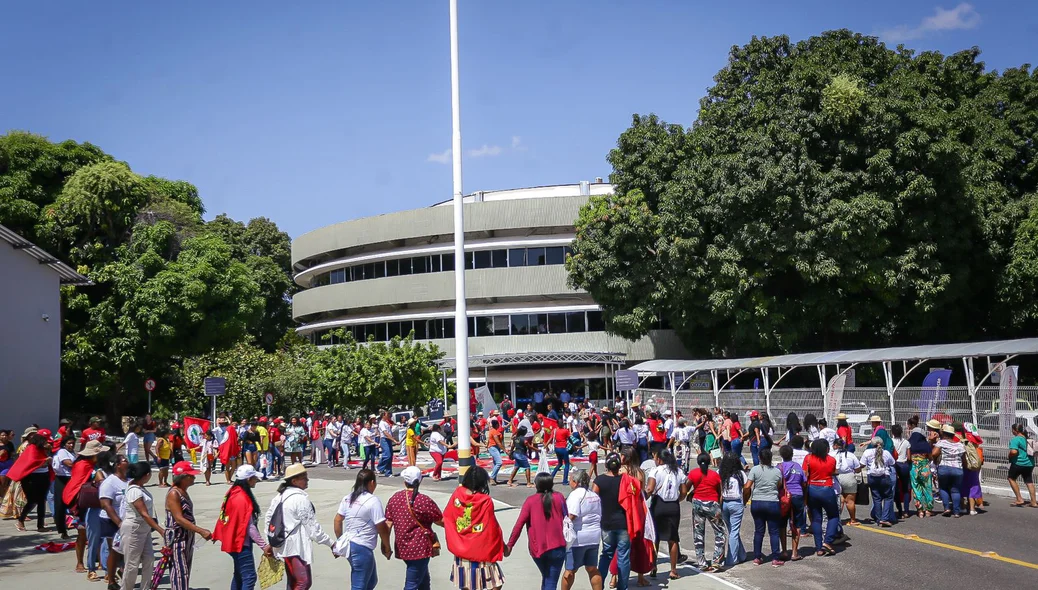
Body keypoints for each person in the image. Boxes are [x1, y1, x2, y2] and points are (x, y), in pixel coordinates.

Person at [265, 463, 333, 590]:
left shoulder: (280, 496)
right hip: (295, 547)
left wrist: (270, 540)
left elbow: (269, 519)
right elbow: (313, 529)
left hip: (283, 545)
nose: (307, 480)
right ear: (294, 481)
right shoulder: (300, 499)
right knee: (303, 582)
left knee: (293, 581)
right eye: (304, 478)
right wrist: (331, 544)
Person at [444, 467, 505, 590]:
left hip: (460, 546)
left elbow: (447, 516)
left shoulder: (458, 493)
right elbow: (491, 526)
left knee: (466, 583)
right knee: (495, 582)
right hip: (480, 548)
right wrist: (503, 546)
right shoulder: (485, 500)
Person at [213, 465, 272, 590]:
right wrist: (264, 545)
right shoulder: (242, 498)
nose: (256, 480)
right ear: (248, 479)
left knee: (239, 575)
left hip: (233, 540)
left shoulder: (233, 492)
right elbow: (249, 527)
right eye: (255, 478)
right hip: (240, 543)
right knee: (249, 577)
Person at [385, 466, 443, 590]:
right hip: (420, 547)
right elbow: (440, 520)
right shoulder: (423, 500)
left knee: (423, 579)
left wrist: (385, 545)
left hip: (403, 547)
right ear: (420, 480)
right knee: (412, 584)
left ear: (404, 482)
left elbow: (388, 524)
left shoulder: (395, 498)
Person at [508, 472, 568, 590]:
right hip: (558, 546)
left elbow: (518, 525)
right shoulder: (559, 497)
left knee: (547, 576)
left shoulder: (530, 501)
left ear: (536, 485)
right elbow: (567, 517)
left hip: (537, 548)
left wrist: (510, 545)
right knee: (550, 579)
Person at [333, 469, 392, 590]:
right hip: (362, 547)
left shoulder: (348, 498)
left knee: (371, 581)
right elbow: (381, 527)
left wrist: (340, 540)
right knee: (359, 585)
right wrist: (387, 546)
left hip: (350, 545)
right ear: (371, 483)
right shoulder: (372, 500)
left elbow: (337, 520)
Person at [165, 461, 212, 590]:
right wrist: (200, 531)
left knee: (185, 568)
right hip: (177, 537)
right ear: (184, 477)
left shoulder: (183, 491)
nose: (194, 477)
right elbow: (179, 519)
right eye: (191, 475)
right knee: (180, 571)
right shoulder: (174, 493)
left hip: (186, 536)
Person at [120, 462, 164, 590]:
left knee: (149, 559)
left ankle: (145, 587)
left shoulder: (140, 487)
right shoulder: (134, 491)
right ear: (146, 475)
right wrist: (160, 530)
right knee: (132, 564)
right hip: (134, 528)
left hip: (144, 528)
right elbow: (144, 514)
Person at [683, 451, 726, 572]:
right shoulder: (715, 475)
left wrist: (692, 492)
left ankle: (701, 562)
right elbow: (720, 493)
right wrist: (719, 507)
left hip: (697, 504)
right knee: (720, 532)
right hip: (712, 504)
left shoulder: (693, 473)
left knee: (698, 533)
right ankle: (717, 560)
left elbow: (685, 487)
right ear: (709, 462)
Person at [646, 450, 685, 579]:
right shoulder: (678, 471)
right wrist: (677, 499)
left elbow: (650, 489)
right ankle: (673, 570)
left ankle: (653, 566)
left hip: (659, 504)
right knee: (673, 538)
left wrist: (645, 496)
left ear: (660, 460)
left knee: (655, 536)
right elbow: (683, 491)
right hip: (673, 506)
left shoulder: (656, 471)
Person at [563, 469, 603, 590]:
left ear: (575, 482)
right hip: (594, 537)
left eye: (570, 480)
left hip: (578, 538)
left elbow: (572, 515)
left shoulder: (576, 495)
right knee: (592, 568)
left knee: (570, 571)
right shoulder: (594, 495)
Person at [745, 448, 783, 566]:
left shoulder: (755, 470)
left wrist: (745, 498)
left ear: (760, 458)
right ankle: (775, 558)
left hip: (757, 502)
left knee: (759, 531)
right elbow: (779, 485)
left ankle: (757, 557)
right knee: (774, 532)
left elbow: (748, 486)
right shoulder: (777, 471)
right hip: (772, 502)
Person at [802, 438, 839, 556]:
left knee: (816, 518)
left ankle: (819, 548)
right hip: (827, 488)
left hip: (812, 488)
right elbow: (833, 472)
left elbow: (805, 475)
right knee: (833, 516)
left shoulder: (808, 458)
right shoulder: (832, 460)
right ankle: (828, 541)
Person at [99, 453, 129, 589]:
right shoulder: (109, 482)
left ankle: (124, 573)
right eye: (124, 461)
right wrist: (119, 523)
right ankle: (111, 580)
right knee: (115, 550)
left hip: (127, 519)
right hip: (111, 521)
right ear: (117, 465)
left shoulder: (129, 480)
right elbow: (106, 504)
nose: (127, 462)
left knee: (128, 550)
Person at [777, 445, 806, 561]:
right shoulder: (798, 466)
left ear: (781, 455)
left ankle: (784, 551)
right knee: (797, 524)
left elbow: (777, 483)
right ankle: (794, 552)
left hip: (784, 497)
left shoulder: (779, 467)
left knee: (782, 524)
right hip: (798, 495)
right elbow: (804, 483)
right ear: (792, 455)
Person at [718, 452, 747, 567]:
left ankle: (742, 554)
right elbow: (747, 486)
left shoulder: (720, 473)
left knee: (732, 530)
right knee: (734, 531)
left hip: (724, 503)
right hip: (736, 503)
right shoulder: (740, 474)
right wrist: (744, 500)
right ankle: (732, 559)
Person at [860, 437, 896, 526]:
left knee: (876, 498)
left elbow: (862, 464)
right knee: (888, 497)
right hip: (884, 476)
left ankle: (878, 518)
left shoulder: (867, 452)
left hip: (872, 477)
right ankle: (885, 518)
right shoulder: (886, 453)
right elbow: (892, 463)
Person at [932, 424, 965, 517]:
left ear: (944, 434)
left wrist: (936, 460)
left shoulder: (941, 443)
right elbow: (964, 459)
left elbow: (934, 453)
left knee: (943, 488)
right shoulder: (960, 445)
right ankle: (957, 512)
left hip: (944, 468)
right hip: (958, 469)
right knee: (956, 491)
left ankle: (947, 508)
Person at [908, 416, 936, 517]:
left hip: (914, 468)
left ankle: (920, 510)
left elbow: (908, 456)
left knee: (916, 488)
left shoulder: (909, 443)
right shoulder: (925, 444)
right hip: (925, 467)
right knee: (927, 488)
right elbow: (931, 457)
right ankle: (928, 510)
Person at [52, 435, 77, 538]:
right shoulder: (62, 452)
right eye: (69, 443)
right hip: (62, 479)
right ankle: (62, 530)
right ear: (64, 444)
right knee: (60, 505)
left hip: (71, 479)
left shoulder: (73, 453)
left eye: (72, 443)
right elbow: (69, 464)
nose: (71, 445)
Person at [1007, 422, 1037, 507]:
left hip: (1018, 463)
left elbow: (1014, 451)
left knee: (1011, 478)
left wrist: (1009, 455)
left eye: (1012, 430)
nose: (1012, 431)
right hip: (1030, 463)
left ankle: (1019, 499)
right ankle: (1034, 502)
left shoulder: (1015, 439)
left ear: (1015, 431)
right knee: (1029, 481)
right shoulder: (1027, 438)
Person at [833, 438, 862, 525]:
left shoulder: (831, 454)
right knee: (850, 500)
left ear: (835, 446)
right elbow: (858, 469)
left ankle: (837, 520)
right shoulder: (851, 455)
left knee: (839, 500)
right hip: (849, 477)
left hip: (836, 476)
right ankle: (853, 519)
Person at [890, 424, 911, 519]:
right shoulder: (906, 442)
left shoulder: (890, 441)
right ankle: (906, 511)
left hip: (895, 465)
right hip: (904, 465)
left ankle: (899, 510)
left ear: (892, 432)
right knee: (906, 489)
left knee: (896, 489)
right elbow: (909, 457)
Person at [551, 419, 573, 483]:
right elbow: (569, 439)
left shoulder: (555, 430)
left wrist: (546, 446)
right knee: (567, 464)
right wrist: (573, 445)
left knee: (559, 463)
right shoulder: (565, 431)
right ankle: (565, 480)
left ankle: (551, 476)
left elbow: (551, 438)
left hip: (557, 448)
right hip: (563, 448)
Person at [378, 412, 398, 477]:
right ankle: (379, 467)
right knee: (387, 455)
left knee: (390, 456)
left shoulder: (386, 422)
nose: (388, 416)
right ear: (383, 415)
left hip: (388, 440)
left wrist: (392, 438)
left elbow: (389, 432)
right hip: (384, 440)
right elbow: (385, 433)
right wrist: (394, 440)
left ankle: (388, 472)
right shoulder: (381, 423)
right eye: (387, 414)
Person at [486, 419, 505, 484]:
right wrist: (505, 450)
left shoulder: (494, 431)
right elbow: (498, 442)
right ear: (496, 425)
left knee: (495, 463)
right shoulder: (494, 431)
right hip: (493, 447)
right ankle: (492, 477)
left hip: (494, 447)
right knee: (499, 463)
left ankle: (494, 478)